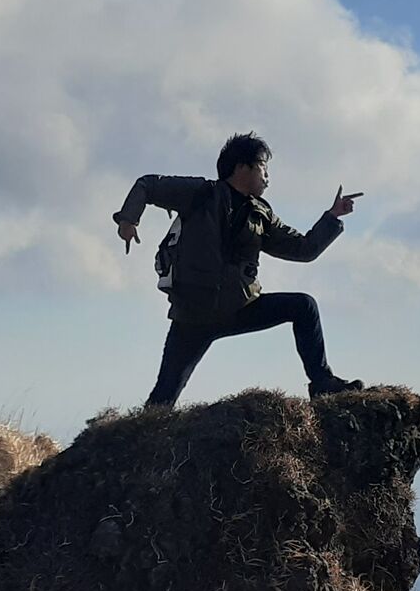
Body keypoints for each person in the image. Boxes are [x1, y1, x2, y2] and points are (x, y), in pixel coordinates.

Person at [113, 132, 366, 407]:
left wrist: (333, 217)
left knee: (304, 306)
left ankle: (322, 383)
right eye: (263, 168)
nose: (267, 177)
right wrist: (128, 220)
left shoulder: (261, 214)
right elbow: (148, 185)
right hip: (193, 315)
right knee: (163, 398)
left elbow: (305, 249)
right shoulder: (201, 193)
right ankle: (142, 429)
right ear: (242, 167)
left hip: (240, 308)